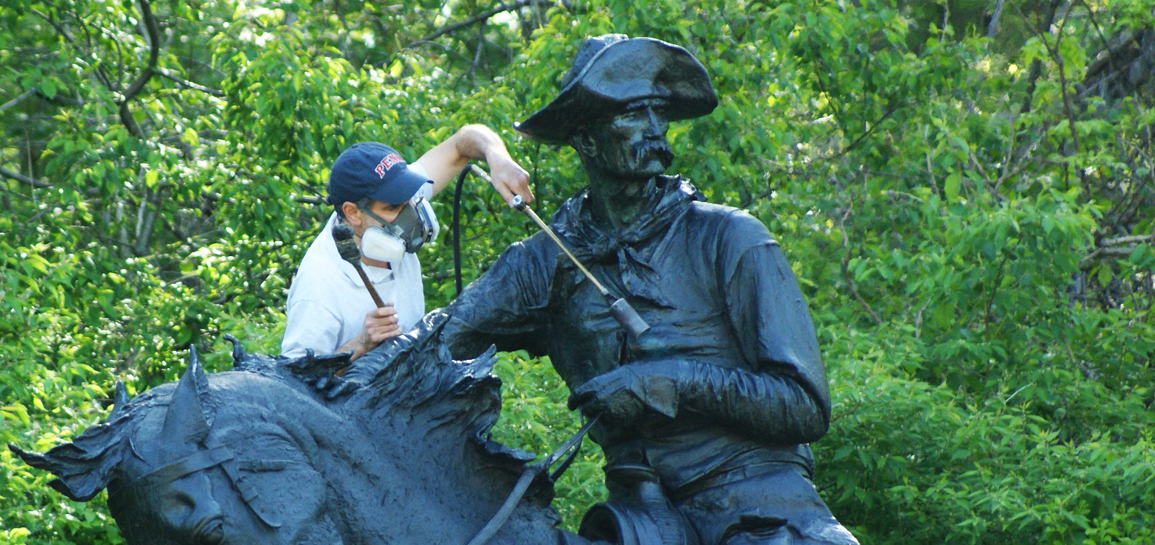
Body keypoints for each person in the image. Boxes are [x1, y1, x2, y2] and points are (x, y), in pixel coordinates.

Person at [335, 36, 857, 544]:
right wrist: (327, 374)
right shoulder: (545, 261)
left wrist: (673, 381)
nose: (654, 128)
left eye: (658, 111)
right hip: (639, 520)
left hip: (763, 505)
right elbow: (434, 343)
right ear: (585, 139)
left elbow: (806, 405)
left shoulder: (730, 239)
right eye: (631, 113)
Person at [281, 126, 532, 360]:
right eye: (392, 208)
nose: (410, 215)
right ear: (352, 213)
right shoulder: (319, 286)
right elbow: (294, 385)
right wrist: (361, 344)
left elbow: (464, 141)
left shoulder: (395, 194)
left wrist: (497, 157)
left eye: (409, 199)